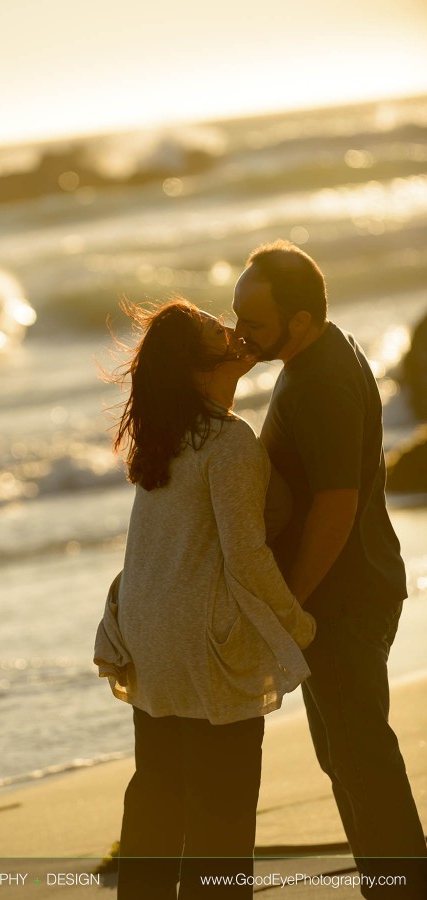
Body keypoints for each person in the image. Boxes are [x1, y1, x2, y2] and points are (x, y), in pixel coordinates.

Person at [94, 298, 316, 900]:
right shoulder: (230, 442)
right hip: (202, 645)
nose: (237, 332)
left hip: (145, 635)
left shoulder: (166, 437)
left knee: (158, 799)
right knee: (223, 816)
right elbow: (246, 560)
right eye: (221, 330)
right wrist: (299, 625)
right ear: (200, 363)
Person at [232, 240, 427, 896]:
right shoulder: (326, 348)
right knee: (346, 753)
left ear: (300, 320)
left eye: (253, 324)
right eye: (236, 317)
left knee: (357, 755)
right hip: (354, 586)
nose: (239, 335)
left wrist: (287, 603)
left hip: (341, 598)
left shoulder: (317, 381)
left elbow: (335, 507)